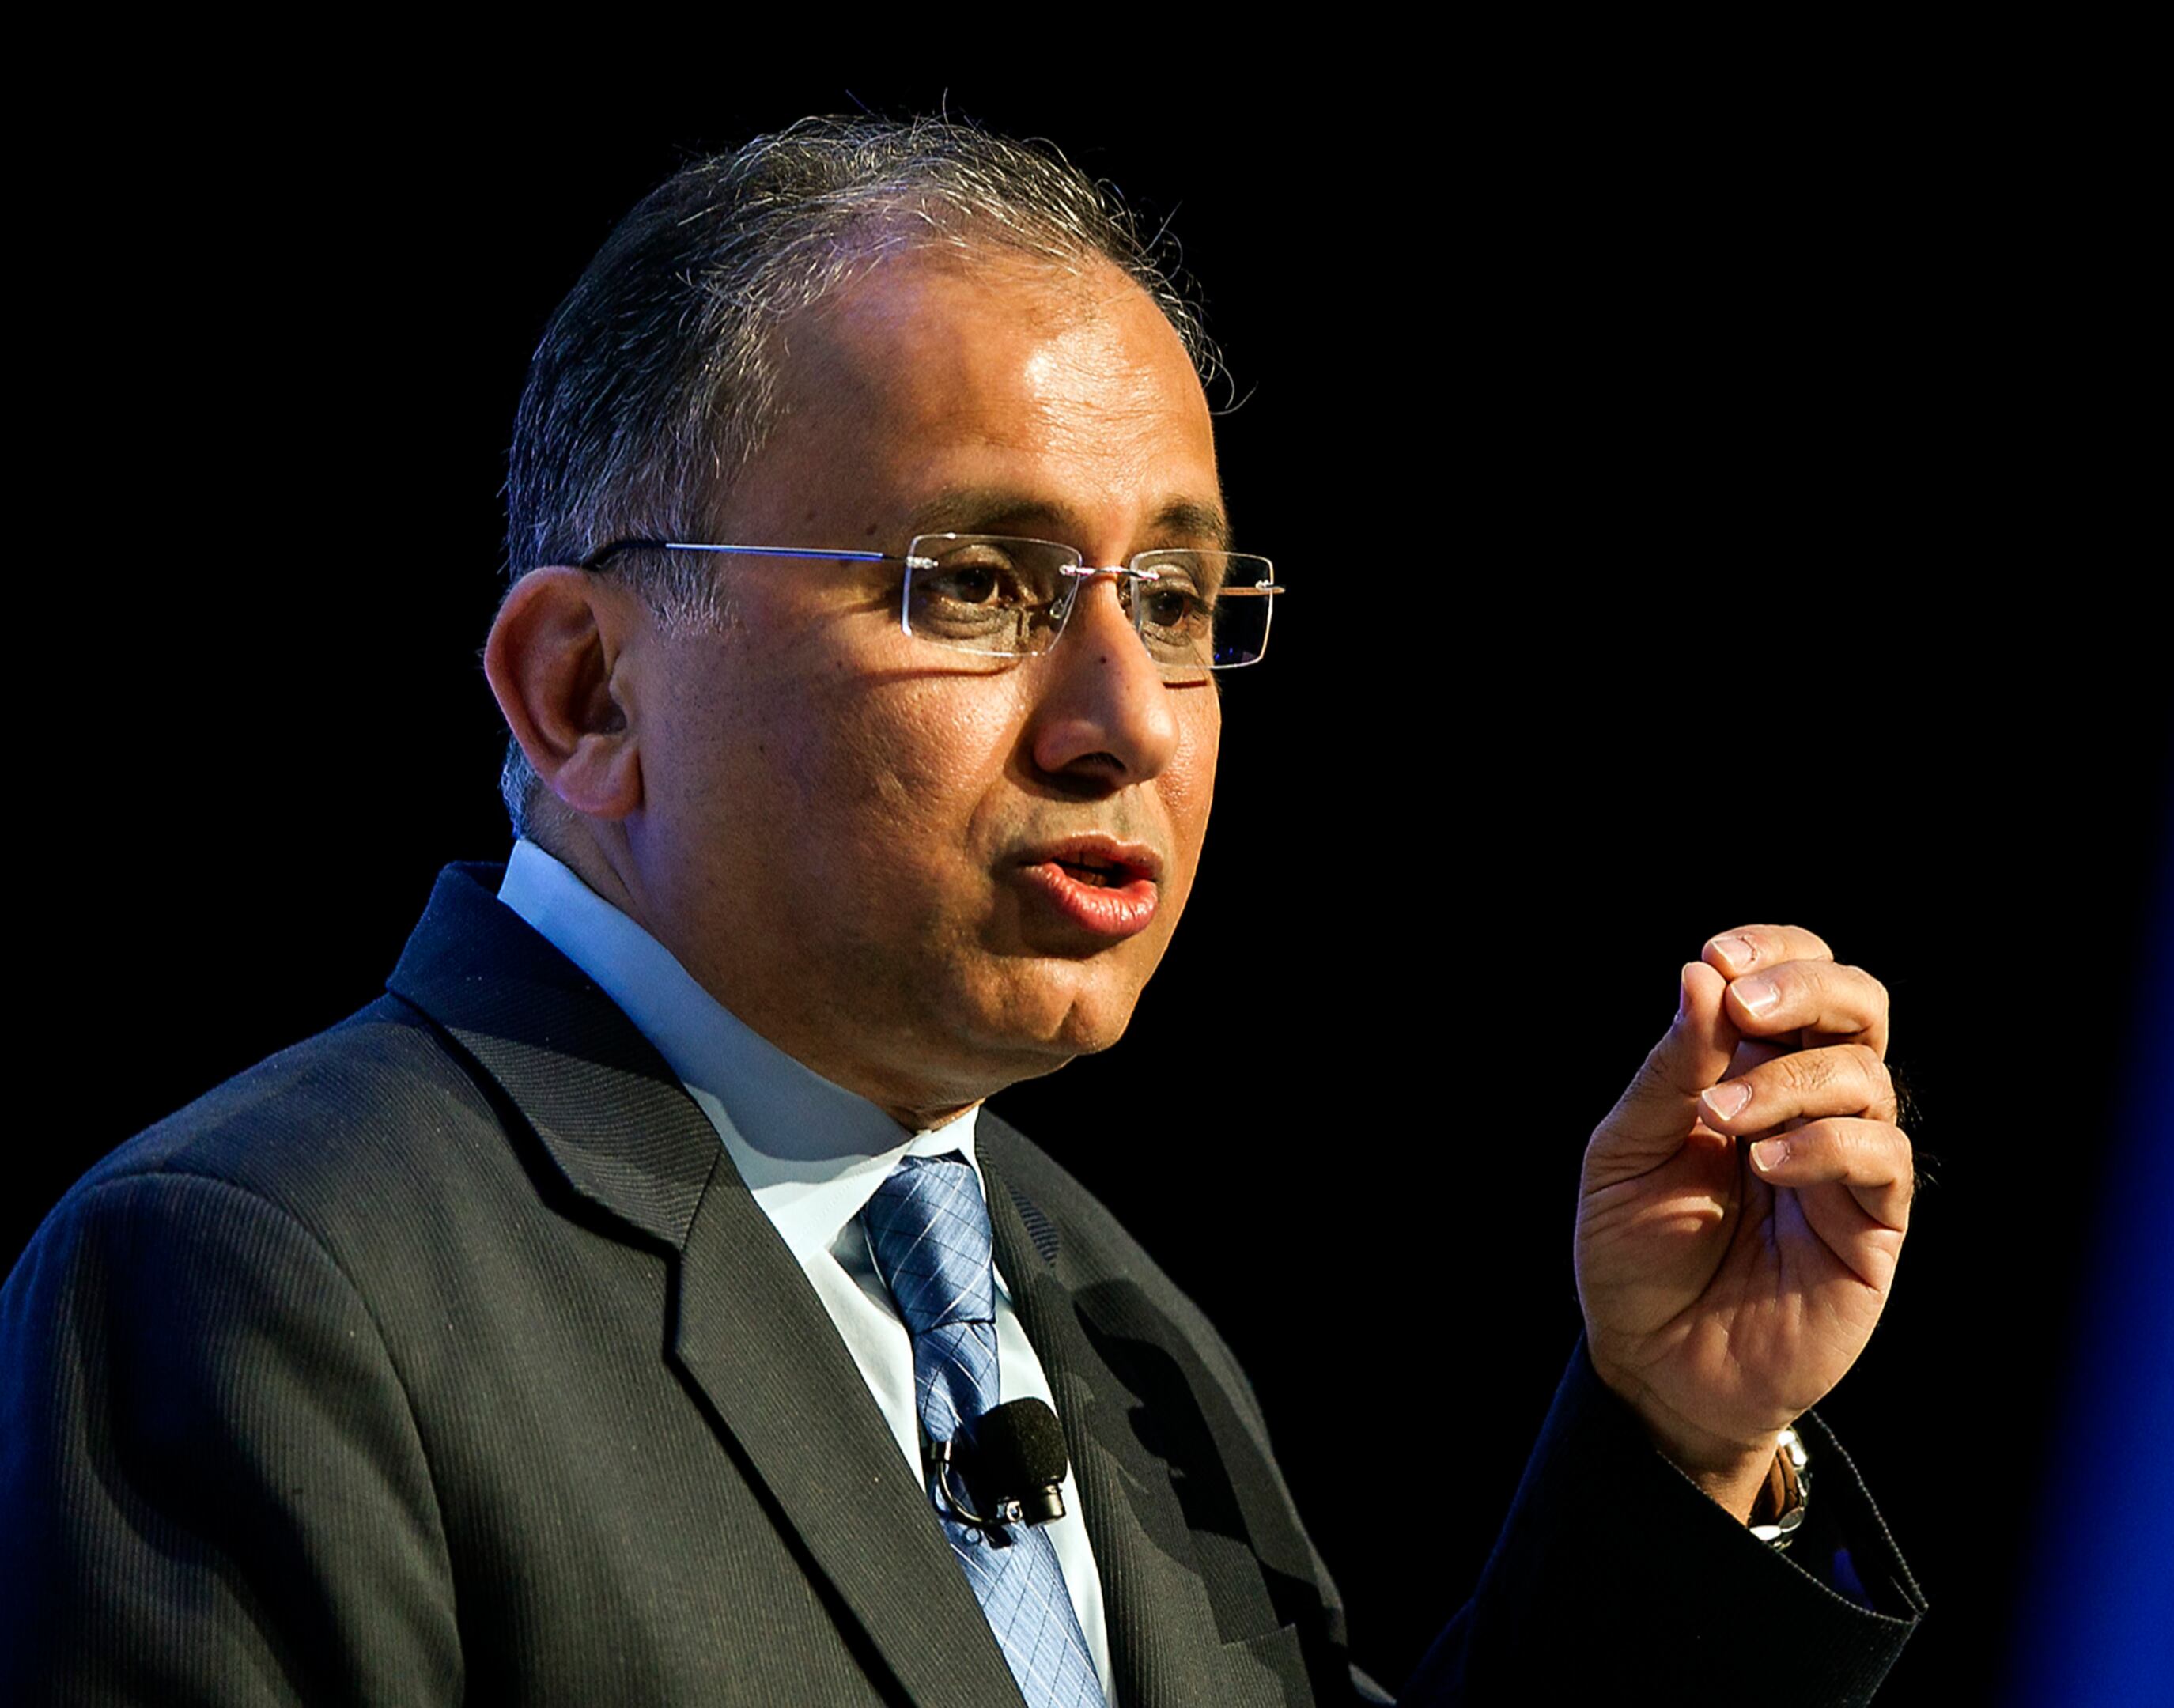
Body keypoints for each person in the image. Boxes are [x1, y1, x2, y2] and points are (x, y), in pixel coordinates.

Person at [0, 118, 1921, 1706]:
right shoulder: (272, 1275)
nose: (1127, 724)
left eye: (1174, 603)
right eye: (976, 585)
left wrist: (1680, 1445)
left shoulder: (1093, 1305)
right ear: (587, 691)